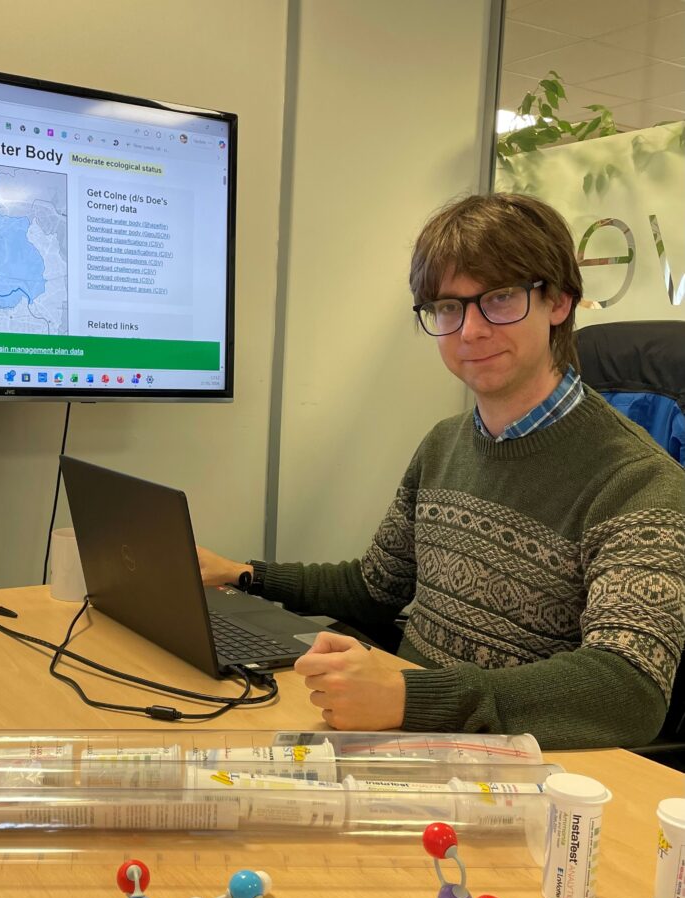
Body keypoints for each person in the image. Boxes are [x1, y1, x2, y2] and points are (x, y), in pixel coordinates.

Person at [199, 192, 685, 749]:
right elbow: (373, 587)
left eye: (500, 299)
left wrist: (411, 698)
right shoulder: (443, 444)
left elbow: (628, 690)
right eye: (449, 307)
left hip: (515, 782)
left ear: (559, 302)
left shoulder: (640, 483)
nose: (469, 331)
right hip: (398, 743)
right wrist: (240, 573)